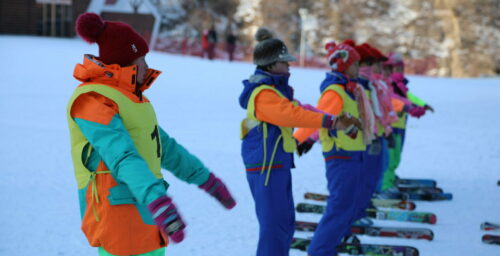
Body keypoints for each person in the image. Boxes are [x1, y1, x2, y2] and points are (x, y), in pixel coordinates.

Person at [68, 13, 236, 256]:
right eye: (141, 58)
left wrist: (205, 179)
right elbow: (122, 156)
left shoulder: (135, 100)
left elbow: (165, 147)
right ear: (124, 62)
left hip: (148, 218)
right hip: (117, 218)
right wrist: (159, 203)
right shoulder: (92, 100)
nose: (146, 65)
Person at [239, 28, 361, 256]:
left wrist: (335, 119)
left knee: (284, 225)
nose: (289, 67)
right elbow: (292, 115)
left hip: (278, 165)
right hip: (266, 167)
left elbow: (302, 109)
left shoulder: (276, 92)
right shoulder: (263, 95)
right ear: (271, 64)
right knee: (274, 228)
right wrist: (331, 122)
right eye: (285, 62)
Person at [294, 40, 367, 256]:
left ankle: (334, 243)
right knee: (340, 206)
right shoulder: (335, 92)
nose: (358, 69)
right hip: (340, 154)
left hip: (351, 154)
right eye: (355, 64)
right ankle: (321, 250)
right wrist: (301, 140)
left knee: (347, 205)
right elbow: (319, 117)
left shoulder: (348, 90)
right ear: (343, 66)